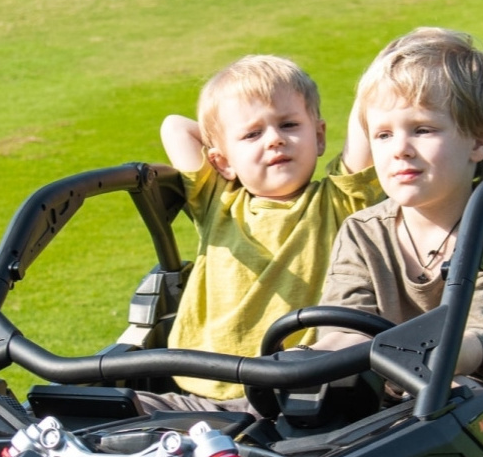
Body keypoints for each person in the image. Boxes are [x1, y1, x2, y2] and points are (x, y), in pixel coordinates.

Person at [314, 27, 483, 405]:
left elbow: (474, 345)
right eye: (383, 135)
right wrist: (316, 357)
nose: (400, 150)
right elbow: (343, 327)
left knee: (461, 404)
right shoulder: (362, 233)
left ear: (480, 139)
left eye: (422, 129)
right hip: (388, 402)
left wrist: (397, 361)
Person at [138, 54, 380, 413]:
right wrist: (228, 150)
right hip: (201, 387)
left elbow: (368, 111)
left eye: (289, 125)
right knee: (113, 415)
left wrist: (237, 144)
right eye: (253, 133)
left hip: (296, 392)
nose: (274, 140)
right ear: (220, 161)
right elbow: (174, 127)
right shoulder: (216, 201)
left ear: (319, 136)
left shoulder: (341, 200)